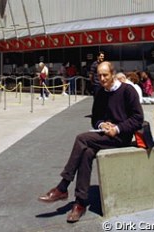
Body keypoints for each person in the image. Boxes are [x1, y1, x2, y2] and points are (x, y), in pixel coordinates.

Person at [38, 61, 144, 223]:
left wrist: (117, 128)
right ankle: (80, 203)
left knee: (82, 139)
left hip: (121, 137)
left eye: (105, 75)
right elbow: (96, 119)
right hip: (103, 135)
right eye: (99, 75)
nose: (101, 79)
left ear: (113, 74)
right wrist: (102, 124)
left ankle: (63, 186)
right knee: (86, 153)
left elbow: (138, 119)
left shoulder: (127, 91)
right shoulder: (100, 93)